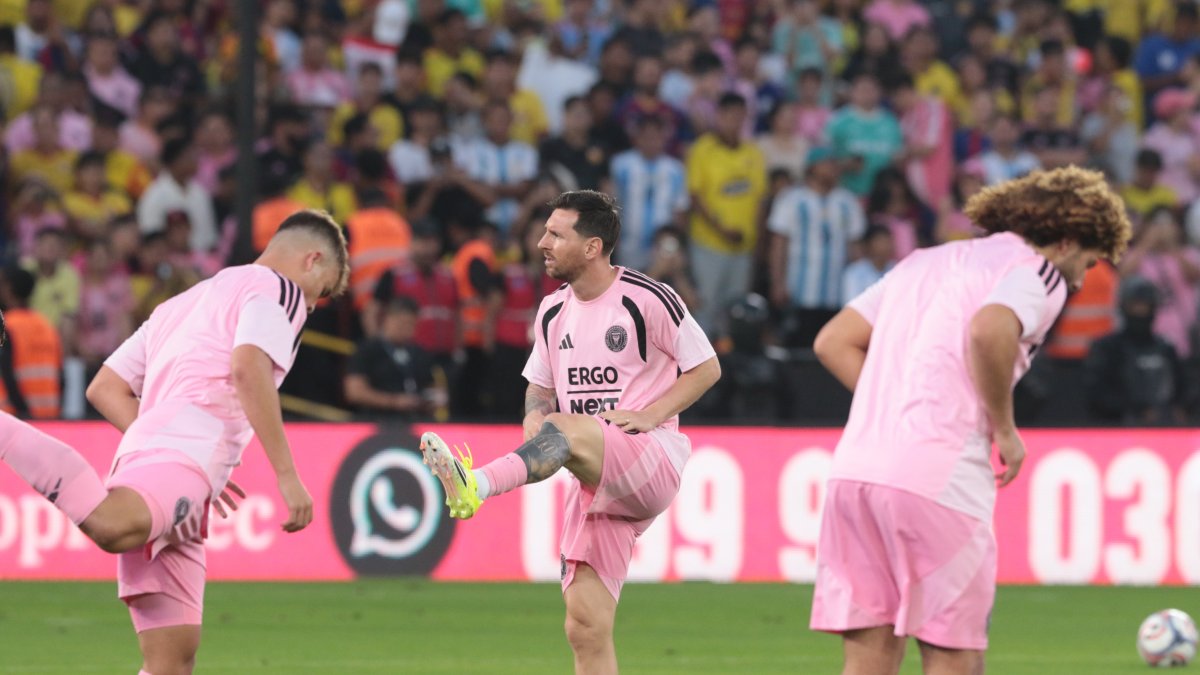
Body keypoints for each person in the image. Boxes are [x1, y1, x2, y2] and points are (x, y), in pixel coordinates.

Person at [808, 167, 1131, 674]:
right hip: (940, 479)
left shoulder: (922, 260)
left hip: (855, 474)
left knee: (868, 659)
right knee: (954, 657)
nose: (1081, 277)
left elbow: (832, 341)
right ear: (1066, 240)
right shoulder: (1037, 271)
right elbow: (989, 329)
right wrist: (1005, 429)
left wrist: (894, 398)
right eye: (1088, 261)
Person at [0, 210, 348, 674]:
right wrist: (286, 475)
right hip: (185, 456)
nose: (314, 303)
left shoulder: (185, 301)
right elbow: (249, 369)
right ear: (313, 259)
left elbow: (104, 387)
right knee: (111, 523)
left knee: (171, 663)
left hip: (176, 467)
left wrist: (180, 465)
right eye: (322, 290)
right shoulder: (280, 290)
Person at [418, 190, 720, 674]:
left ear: (593, 247)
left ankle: (476, 485)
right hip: (594, 478)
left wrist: (651, 413)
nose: (542, 243)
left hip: (651, 458)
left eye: (556, 234)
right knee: (584, 628)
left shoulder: (648, 298)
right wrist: (534, 422)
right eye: (545, 231)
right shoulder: (552, 311)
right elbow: (539, 389)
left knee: (567, 427)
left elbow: (706, 368)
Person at [1083, 277, 1188, 426]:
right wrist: (1138, 411)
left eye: (1145, 307)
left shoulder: (1166, 348)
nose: (1141, 312)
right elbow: (1097, 394)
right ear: (1124, 307)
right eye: (1135, 306)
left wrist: (1176, 410)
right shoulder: (1108, 348)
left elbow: (1183, 389)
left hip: (1165, 427)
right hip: (1117, 427)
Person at [344, 297, 439, 419]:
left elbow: (431, 387)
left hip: (416, 422)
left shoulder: (420, 353)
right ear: (387, 319)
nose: (406, 329)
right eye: (401, 323)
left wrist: (432, 400)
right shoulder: (367, 350)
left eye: (411, 324)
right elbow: (354, 392)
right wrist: (394, 402)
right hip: (378, 421)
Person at [0, 266, 63, 419]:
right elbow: (61, 376)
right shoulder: (47, 325)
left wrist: (25, 413)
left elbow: (7, 374)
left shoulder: (7, 326)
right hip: (48, 416)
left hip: (16, 418)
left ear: (8, 289)